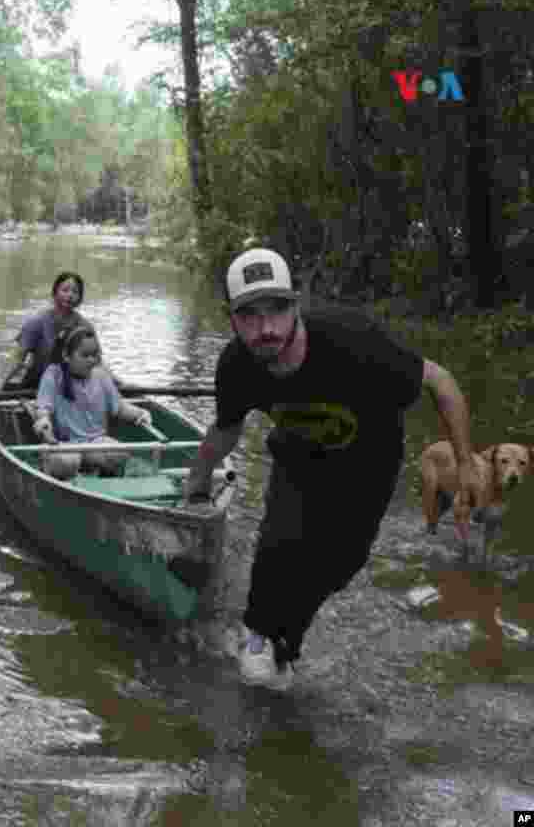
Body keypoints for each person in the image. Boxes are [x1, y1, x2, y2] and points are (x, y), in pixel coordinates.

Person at [183, 247, 482, 691]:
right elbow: (225, 431)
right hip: (298, 457)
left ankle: (287, 643)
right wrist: (196, 486)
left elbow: (441, 381)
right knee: (281, 542)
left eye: (278, 310)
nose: (266, 328)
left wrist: (465, 463)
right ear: (231, 317)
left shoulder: (355, 341)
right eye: (249, 314)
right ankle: (258, 637)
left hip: (369, 463)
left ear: (296, 304)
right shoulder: (237, 366)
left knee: (339, 564)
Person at [33, 326, 154, 480]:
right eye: (85, 355)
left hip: (95, 443)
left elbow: (119, 407)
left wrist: (140, 414)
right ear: (66, 356)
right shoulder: (53, 374)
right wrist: (43, 421)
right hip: (64, 444)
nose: (92, 360)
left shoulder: (101, 375)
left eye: (94, 355)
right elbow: (43, 407)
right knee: (66, 462)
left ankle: (105, 482)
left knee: (120, 453)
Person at [2, 272, 93, 391]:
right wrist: (0, 385)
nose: (70, 295)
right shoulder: (37, 322)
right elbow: (17, 359)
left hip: (72, 388)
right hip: (36, 386)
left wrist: (118, 383)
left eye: (75, 292)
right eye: (65, 290)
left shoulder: (85, 326)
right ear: (55, 293)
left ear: (79, 298)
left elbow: (96, 363)